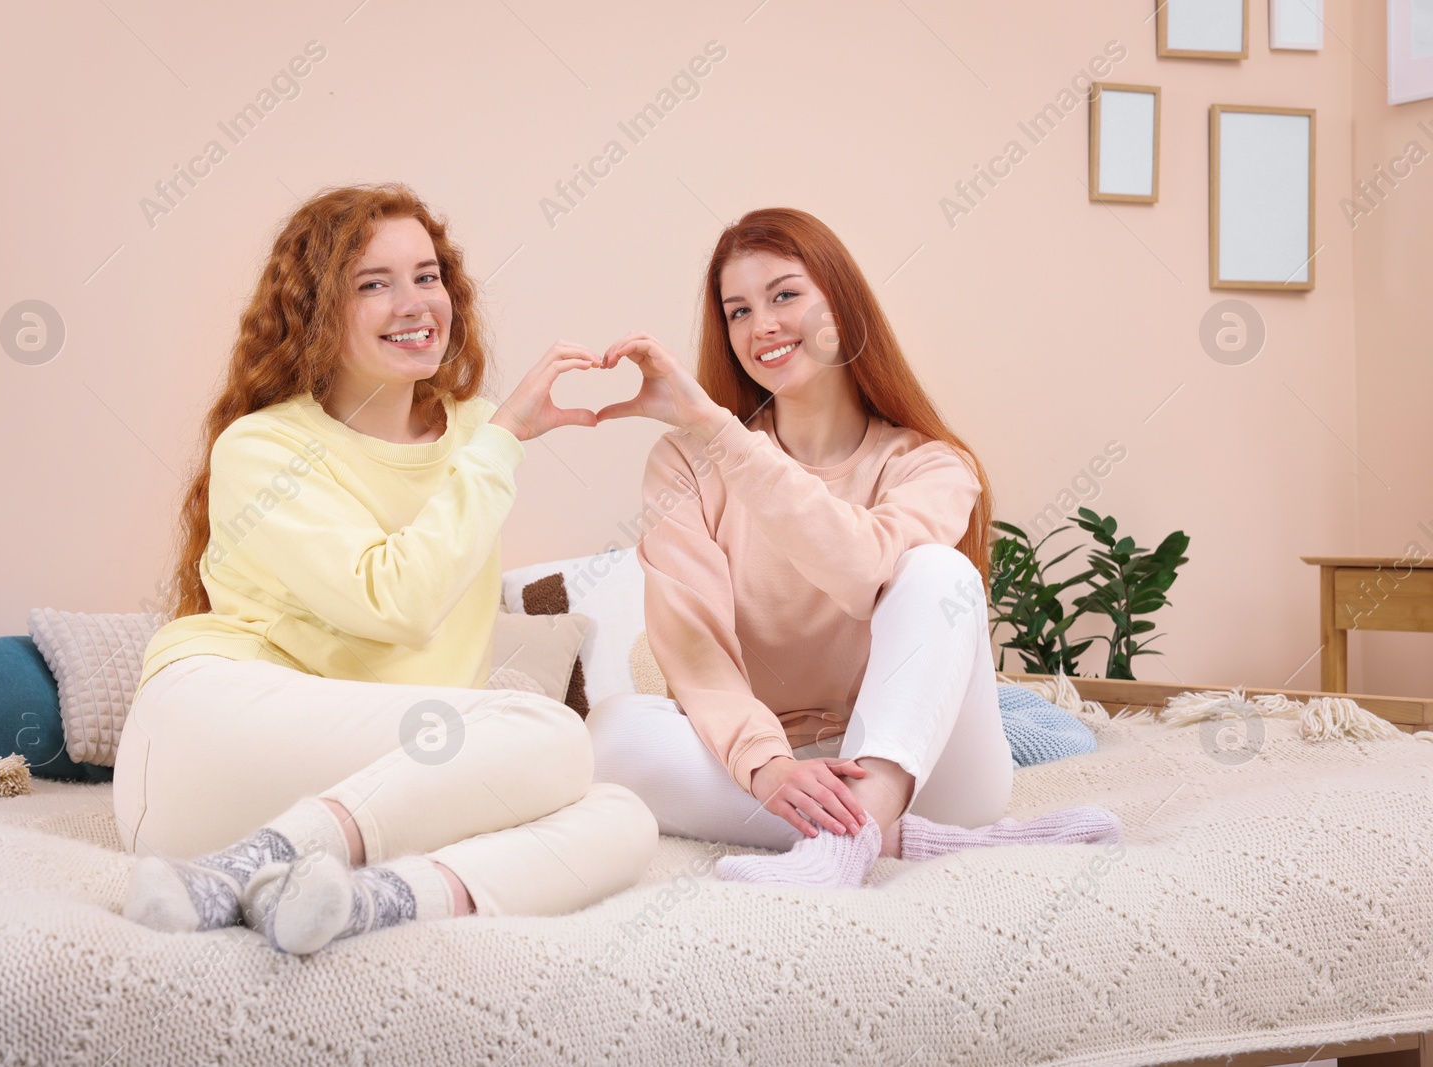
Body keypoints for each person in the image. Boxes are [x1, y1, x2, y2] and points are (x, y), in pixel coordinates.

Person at [113, 183, 657, 955]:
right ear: (314, 312)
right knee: (553, 733)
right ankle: (251, 861)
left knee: (621, 816)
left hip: (376, 772)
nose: (415, 302)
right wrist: (502, 441)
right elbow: (396, 600)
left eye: (427, 275)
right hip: (204, 740)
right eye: (374, 284)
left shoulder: (470, 432)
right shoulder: (261, 447)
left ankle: (359, 899)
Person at [585, 207, 1120, 890]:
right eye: (738, 310)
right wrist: (769, 766)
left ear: (842, 303)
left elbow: (863, 569)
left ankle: (853, 836)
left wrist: (722, 433)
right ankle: (896, 839)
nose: (763, 325)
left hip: (930, 768)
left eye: (785, 294)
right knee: (612, 733)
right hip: (786, 773)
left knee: (937, 571)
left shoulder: (933, 464)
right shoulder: (685, 463)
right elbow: (696, 652)